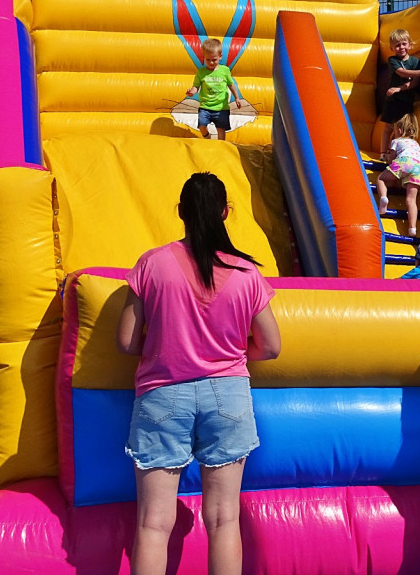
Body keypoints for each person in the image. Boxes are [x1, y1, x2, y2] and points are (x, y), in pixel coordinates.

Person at [116, 172, 281, 575]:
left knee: (153, 522)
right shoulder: (246, 274)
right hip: (228, 396)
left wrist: (162, 346)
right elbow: (272, 346)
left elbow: (124, 341)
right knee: (224, 519)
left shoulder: (152, 264)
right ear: (226, 213)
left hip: (162, 393)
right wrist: (229, 353)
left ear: (181, 212)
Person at [378, 28, 420, 160]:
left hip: (405, 100)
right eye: (397, 45)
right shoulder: (392, 60)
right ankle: (383, 153)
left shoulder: (415, 62)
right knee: (387, 127)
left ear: (409, 44)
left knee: (399, 128)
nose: (401, 47)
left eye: (403, 44)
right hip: (392, 100)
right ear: (392, 48)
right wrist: (419, 72)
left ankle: (396, 154)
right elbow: (401, 72)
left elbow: (414, 83)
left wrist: (399, 88)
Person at [375, 113, 420, 237]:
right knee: (411, 200)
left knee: (381, 179)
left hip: (404, 162)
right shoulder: (416, 144)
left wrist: (387, 158)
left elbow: (392, 159)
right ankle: (412, 228)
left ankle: (383, 199)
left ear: (399, 130)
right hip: (419, 167)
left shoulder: (396, 141)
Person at [185, 38, 245, 140]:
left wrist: (237, 98)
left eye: (214, 59)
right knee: (202, 126)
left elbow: (231, 85)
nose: (211, 62)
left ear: (220, 56)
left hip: (221, 108)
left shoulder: (224, 70)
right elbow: (196, 87)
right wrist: (192, 92)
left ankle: (220, 147)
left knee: (220, 129)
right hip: (205, 106)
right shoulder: (201, 72)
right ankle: (207, 136)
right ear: (203, 57)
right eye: (208, 60)